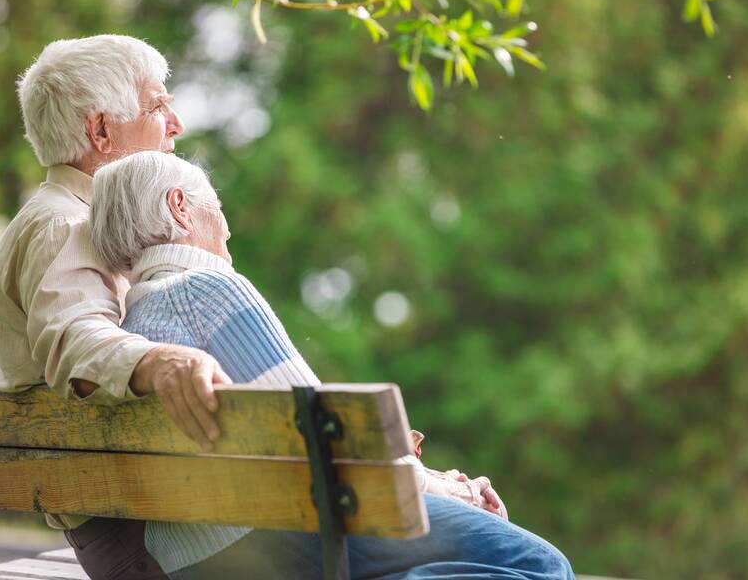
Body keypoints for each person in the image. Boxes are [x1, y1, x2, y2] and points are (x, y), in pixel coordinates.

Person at [89, 150, 575, 580]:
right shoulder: (208, 290)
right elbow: (332, 446)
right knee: (542, 565)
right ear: (180, 207)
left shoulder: (130, 327)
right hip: (279, 536)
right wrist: (452, 490)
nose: (228, 225)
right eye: (216, 206)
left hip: (190, 561)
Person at [0, 35, 232, 580]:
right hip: (138, 535)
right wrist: (160, 362)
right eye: (157, 105)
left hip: (150, 511)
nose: (176, 124)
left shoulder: (89, 222)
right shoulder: (66, 224)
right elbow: (75, 338)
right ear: (100, 131)